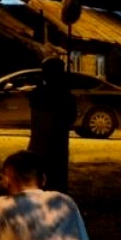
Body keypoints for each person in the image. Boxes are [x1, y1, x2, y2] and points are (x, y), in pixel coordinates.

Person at [27, 56, 77, 194]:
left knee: (42, 180)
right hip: (56, 145)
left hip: (42, 144)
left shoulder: (38, 93)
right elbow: (71, 117)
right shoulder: (64, 96)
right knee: (56, 181)